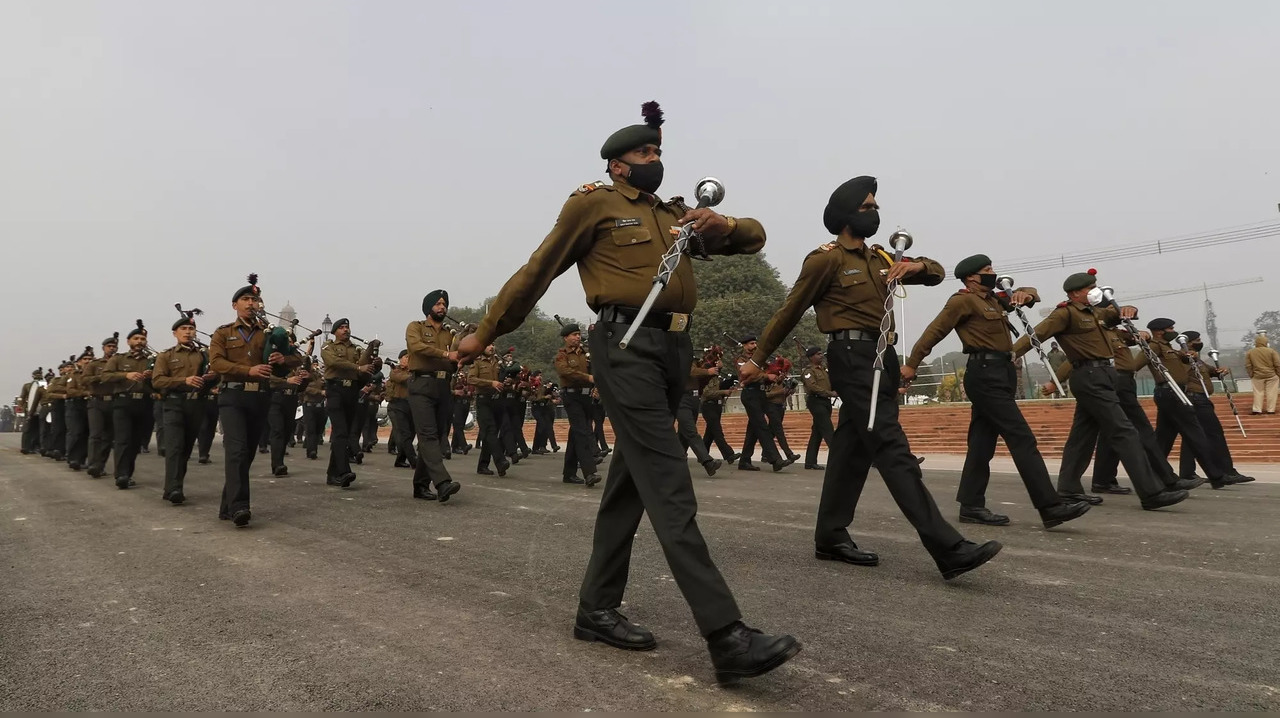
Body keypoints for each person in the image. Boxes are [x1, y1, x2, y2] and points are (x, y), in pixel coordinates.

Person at [455, 101, 799, 683]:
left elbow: (754, 239)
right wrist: (486, 332)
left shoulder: (672, 214)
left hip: (674, 352)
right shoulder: (593, 203)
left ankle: (596, 609)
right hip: (625, 345)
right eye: (644, 153)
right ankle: (726, 634)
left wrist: (726, 226)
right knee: (668, 483)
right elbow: (538, 269)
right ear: (617, 165)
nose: (654, 160)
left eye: (659, 152)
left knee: (631, 483)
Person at [741, 175, 1000, 580]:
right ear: (845, 216)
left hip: (883, 356)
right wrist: (758, 359)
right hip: (850, 355)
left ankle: (830, 535)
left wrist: (915, 265)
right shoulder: (824, 259)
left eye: (876, 205)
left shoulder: (881, 258)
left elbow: (935, 273)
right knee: (891, 446)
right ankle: (948, 547)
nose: (874, 211)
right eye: (866, 207)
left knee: (852, 448)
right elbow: (789, 311)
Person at [903, 254, 1090, 529]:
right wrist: (911, 364)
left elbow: (1032, 293)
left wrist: (1025, 295)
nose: (992, 273)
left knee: (982, 444)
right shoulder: (962, 301)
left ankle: (971, 505)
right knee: (1022, 438)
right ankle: (1050, 506)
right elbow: (934, 332)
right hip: (984, 374)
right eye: (986, 270)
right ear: (971, 278)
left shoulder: (993, 299)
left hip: (1001, 372)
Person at [1011, 273, 1188, 509]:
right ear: (1075, 293)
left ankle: (1068, 488)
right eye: (1090, 288)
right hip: (1088, 376)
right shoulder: (1065, 313)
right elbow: (1036, 335)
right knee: (1125, 431)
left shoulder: (1096, 313)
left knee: (1082, 437)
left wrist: (1128, 309)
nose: (1095, 291)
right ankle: (1151, 493)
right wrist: (1009, 355)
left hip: (1104, 375)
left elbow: (1114, 316)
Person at [209, 274, 301, 526]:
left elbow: (297, 359)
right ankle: (240, 507)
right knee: (236, 450)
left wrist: (284, 360)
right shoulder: (223, 333)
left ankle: (228, 504)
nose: (251, 303)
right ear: (235, 305)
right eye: (245, 299)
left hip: (260, 397)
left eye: (255, 300)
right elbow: (216, 363)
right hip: (233, 396)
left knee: (247, 454)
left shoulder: (270, 334)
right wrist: (247, 370)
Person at [1145, 319, 1244, 490]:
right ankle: (1216, 475)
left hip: (1181, 397)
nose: (1173, 330)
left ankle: (1158, 474)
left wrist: (1217, 371)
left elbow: (1206, 371)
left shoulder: (1180, 353)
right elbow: (1175, 373)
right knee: (1198, 435)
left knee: (1166, 438)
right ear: (1159, 331)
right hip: (1183, 396)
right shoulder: (1159, 348)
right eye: (1170, 328)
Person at [151, 313, 219, 504]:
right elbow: (157, 380)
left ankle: (172, 486)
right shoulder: (166, 355)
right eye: (184, 329)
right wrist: (184, 380)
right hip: (173, 404)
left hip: (196, 404)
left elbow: (215, 377)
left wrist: (212, 377)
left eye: (191, 329)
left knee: (186, 448)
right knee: (175, 446)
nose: (188, 332)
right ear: (175, 333)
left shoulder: (204, 356)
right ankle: (174, 489)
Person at [404, 290, 462, 502]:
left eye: (444, 304)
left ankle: (420, 485)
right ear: (429, 307)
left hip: (443, 385)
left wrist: (461, 357)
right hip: (421, 383)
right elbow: (416, 348)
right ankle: (442, 483)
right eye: (438, 303)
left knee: (437, 437)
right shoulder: (416, 327)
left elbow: (456, 357)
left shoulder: (450, 334)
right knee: (427, 434)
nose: (442, 307)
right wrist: (447, 354)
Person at [1179, 331, 1253, 485]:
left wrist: (1220, 371)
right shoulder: (1182, 358)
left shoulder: (1198, 360)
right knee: (1215, 434)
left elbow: (1210, 371)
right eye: (1197, 340)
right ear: (1189, 342)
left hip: (1202, 399)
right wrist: (1187, 358)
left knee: (1192, 436)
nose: (1200, 342)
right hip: (1195, 398)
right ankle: (1226, 471)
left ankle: (1187, 473)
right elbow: (1180, 374)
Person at [101, 320, 155, 490]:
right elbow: (105, 377)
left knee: (135, 442)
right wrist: (126, 375)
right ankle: (122, 475)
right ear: (128, 341)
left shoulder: (152, 360)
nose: (139, 341)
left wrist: (151, 376)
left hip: (145, 403)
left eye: (142, 339)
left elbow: (160, 380)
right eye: (136, 338)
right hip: (123, 402)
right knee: (123, 439)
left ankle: (127, 473)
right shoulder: (119, 359)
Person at [320, 319, 371, 488]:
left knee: (345, 432)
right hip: (335, 390)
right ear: (334, 331)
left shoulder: (356, 349)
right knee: (340, 431)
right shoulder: (329, 347)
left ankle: (332, 474)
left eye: (347, 327)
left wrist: (371, 353)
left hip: (351, 391)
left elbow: (364, 368)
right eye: (341, 327)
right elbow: (334, 362)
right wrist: (357, 368)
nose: (345, 330)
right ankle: (343, 471)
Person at [555, 323, 602, 486]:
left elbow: (595, 371)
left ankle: (569, 473)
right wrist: (587, 378)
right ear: (565, 338)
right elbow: (564, 371)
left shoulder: (586, 353)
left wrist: (596, 386)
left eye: (578, 334)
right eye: (574, 334)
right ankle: (590, 472)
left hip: (586, 397)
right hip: (571, 396)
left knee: (577, 433)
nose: (577, 337)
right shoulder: (562, 355)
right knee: (582, 432)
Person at [734, 337, 787, 472]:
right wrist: (766, 376)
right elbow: (745, 375)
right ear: (744, 346)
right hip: (750, 394)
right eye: (751, 343)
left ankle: (745, 460)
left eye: (755, 343)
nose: (754, 346)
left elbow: (765, 374)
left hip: (761, 394)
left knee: (753, 429)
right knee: (762, 426)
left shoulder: (758, 360)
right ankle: (775, 459)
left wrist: (775, 377)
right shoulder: (742, 361)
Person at [82, 334, 119, 474]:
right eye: (109, 346)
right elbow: (84, 380)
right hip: (97, 401)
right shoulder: (94, 364)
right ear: (103, 348)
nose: (112, 349)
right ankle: (93, 464)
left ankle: (100, 465)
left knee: (108, 437)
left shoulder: (119, 362)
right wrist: (101, 377)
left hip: (114, 401)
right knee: (95, 434)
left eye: (114, 346)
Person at [800, 347, 835, 470]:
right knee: (828, 430)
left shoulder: (824, 370)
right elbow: (812, 387)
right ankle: (839, 459)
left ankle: (810, 461)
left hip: (825, 402)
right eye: (818, 354)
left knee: (817, 433)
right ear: (811, 357)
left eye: (821, 354)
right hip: (816, 401)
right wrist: (830, 393)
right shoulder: (809, 371)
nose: (821, 356)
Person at [64, 348, 95, 470]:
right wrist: (85, 393)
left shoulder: (96, 374)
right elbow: (70, 391)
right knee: (76, 432)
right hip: (76, 405)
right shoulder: (74, 375)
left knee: (88, 434)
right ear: (79, 362)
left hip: (91, 405)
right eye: (85, 359)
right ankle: (73, 458)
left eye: (90, 359)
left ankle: (82, 459)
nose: (87, 361)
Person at [386, 350, 416, 468]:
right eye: (406, 357)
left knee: (412, 432)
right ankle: (414, 460)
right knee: (405, 434)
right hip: (398, 405)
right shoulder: (395, 370)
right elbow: (400, 378)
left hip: (411, 405)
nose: (408, 359)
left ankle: (400, 459)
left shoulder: (414, 371)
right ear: (400, 359)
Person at [1245, 332, 1279, 414]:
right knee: (1272, 392)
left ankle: (1257, 409)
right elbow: (1277, 364)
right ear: (1266, 343)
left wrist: (1251, 374)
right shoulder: (1272, 351)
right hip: (1271, 375)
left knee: (1258, 392)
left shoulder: (1250, 352)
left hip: (1257, 375)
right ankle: (1271, 410)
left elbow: (1248, 365)